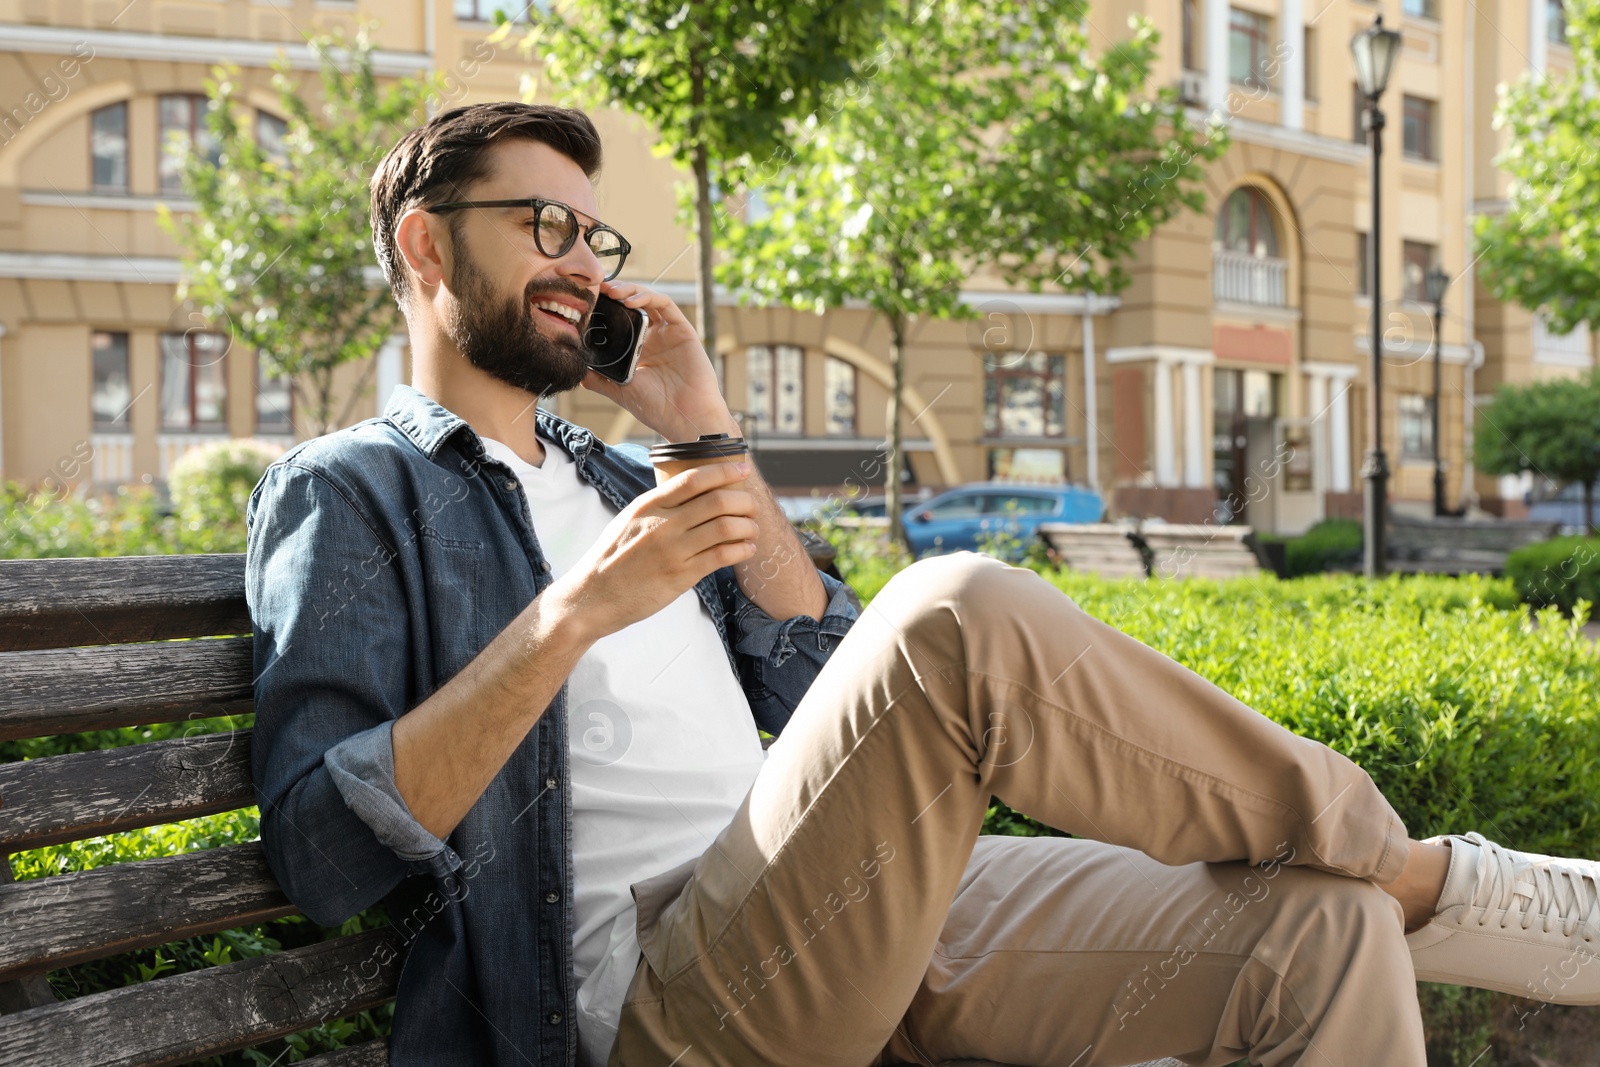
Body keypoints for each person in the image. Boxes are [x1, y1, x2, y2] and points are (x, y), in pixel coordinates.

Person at [245, 101, 1600, 1067]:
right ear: (428, 247)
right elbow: (320, 850)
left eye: (594, 240)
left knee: (1323, 933)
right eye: (543, 225)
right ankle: (1429, 873)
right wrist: (573, 615)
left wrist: (703, 428)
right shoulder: (352, 489)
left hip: (834, 907)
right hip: (660, 996)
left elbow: (822, 679)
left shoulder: (614, 480)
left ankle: (1386, 881)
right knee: (959, 608)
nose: (578, 266)